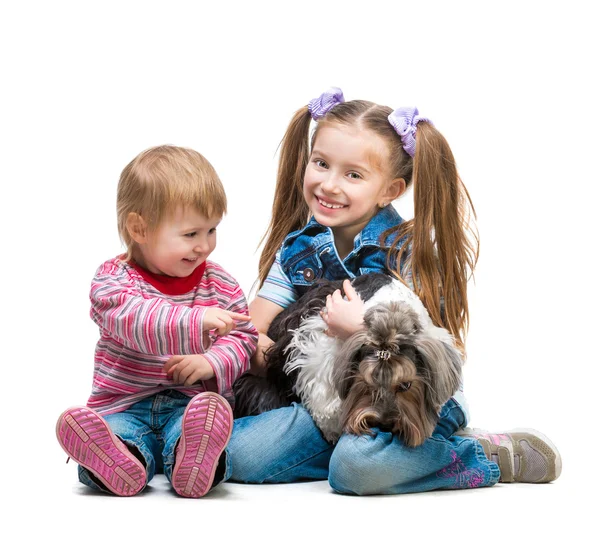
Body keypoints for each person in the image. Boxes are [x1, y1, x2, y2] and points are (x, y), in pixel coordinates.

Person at [224, 88, 561, 494]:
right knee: (238, 454)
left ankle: (476, 455)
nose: (329, 184)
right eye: (321, 163)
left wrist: (358, 331)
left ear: (390, 190)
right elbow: (249, 329)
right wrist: (258, 347)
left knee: (354, 469)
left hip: (413, 398)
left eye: (353, 174)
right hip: (330, 401)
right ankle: (379, 456)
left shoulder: (406, 252)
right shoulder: (297, 250)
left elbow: (420, 349)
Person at [56, 145, 258, 498]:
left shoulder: (220, 282)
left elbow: (242, 337)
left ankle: (193, 459)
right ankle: (118, 461)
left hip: (189, 404)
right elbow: (136, 321)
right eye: (190, 234)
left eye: (212, 230)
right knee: (118, 434)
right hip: (124, 404)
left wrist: (211, 362)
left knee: (199, 426)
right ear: (140, 228)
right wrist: (197, 321)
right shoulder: (113, 281)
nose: (205, 246)